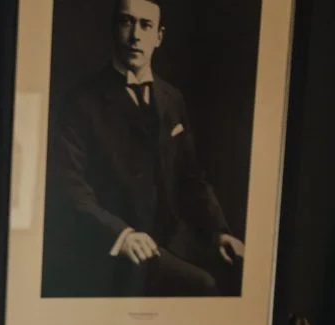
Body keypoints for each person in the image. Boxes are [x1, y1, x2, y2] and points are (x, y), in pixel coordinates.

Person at [43, 0, 244, 298]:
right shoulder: (80, 101)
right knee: (204, 287)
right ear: (114, 29)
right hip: (109, 249)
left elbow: (191, 177)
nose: (135, 35)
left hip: (172, 242)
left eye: (146, 25)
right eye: (127, 22)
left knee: (238, 281)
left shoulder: (172, 99)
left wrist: (218, 231)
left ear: (159, 37)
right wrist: (120, 235)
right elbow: (67, 186)